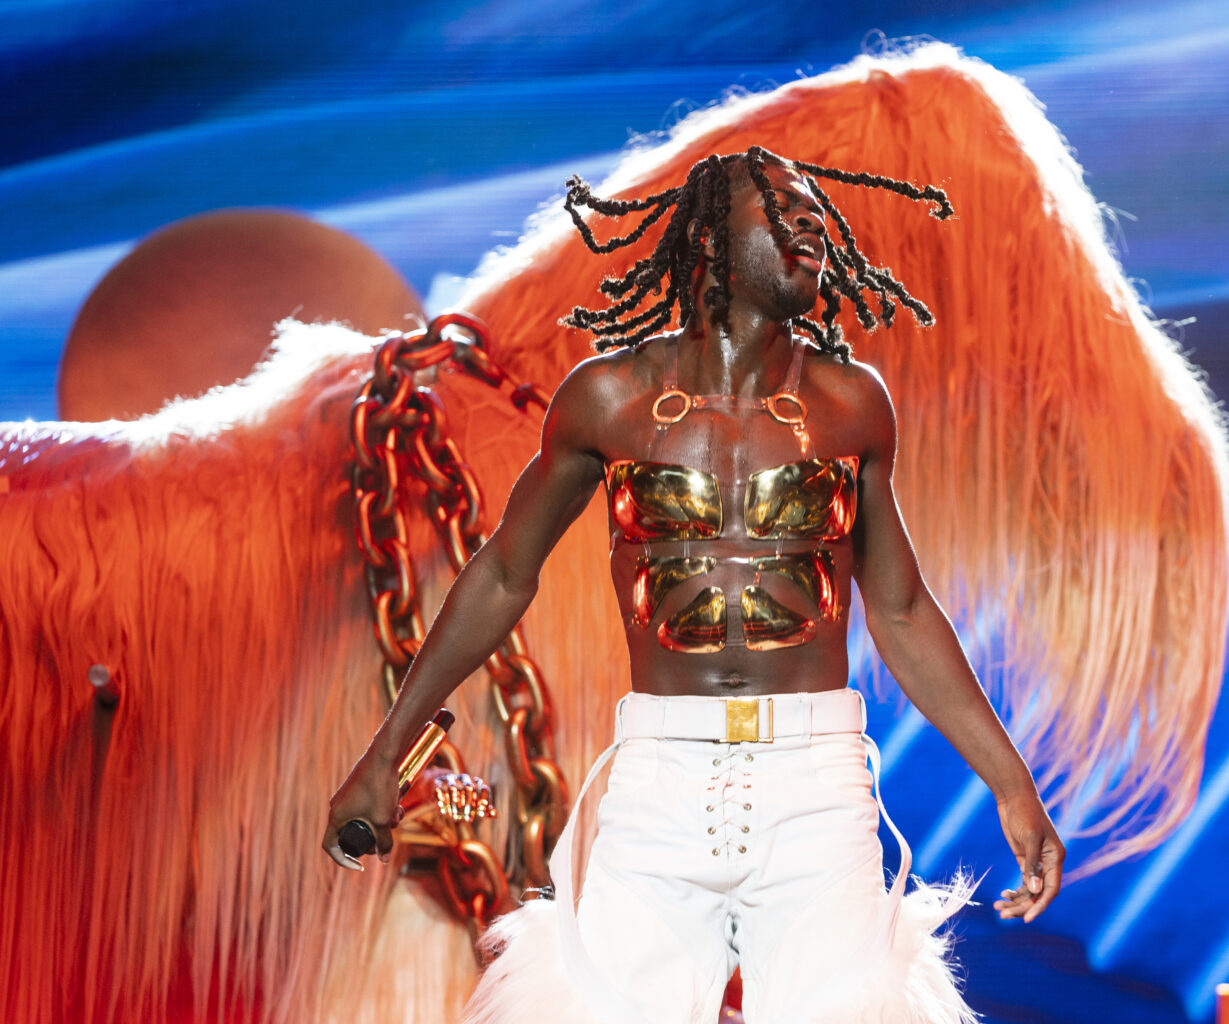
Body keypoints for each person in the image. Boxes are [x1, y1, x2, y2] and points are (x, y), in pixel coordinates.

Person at [324, 146, 1064, 1023]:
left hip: (815, 780)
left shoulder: (851, 403)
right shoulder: (607, 399)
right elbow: (502, 575)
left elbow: (900, 610)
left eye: (816, 212)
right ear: (711, 242)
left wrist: (1012, 784)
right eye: (781, 206)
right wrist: (382, 757)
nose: (810, 221)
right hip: (660, 780)